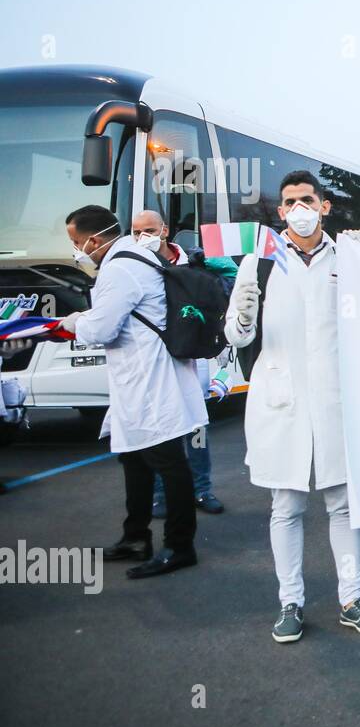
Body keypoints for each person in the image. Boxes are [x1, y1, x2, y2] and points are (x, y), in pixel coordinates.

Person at [225, 171, 360, 643]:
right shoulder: (258, 264)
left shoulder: (348, 259)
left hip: (337, 401)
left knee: (342, 504)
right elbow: (237, 338)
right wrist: (243, 311)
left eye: (308, 200)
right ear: (280, 212)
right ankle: (289, 602)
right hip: (280, 401)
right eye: (291, 201)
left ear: (324, 207)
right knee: (287, 505)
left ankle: (352, 598)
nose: (299, 208)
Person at [58, 205, 207, 579]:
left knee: (167, 460)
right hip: (138, 378)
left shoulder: (120, 267)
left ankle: (179, 545)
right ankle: (135, 536)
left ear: (94, 240)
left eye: (76, 242)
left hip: (150, 380)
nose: (76, 249)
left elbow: (102, 328)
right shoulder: (132, 257)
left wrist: (74, 321)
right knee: (135, 459)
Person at [131, 210, 224, 516]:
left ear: (165, 230)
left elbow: (219, 300)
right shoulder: (135, 267)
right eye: (136, 232)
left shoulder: (194, 261)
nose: (142, 237)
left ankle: (201, 489)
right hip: (154, 361)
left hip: (191, 357)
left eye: (149, 230)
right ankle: (160, 494)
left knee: (196, 428)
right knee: (160, 430)